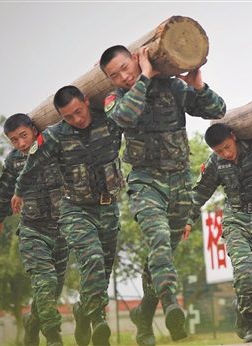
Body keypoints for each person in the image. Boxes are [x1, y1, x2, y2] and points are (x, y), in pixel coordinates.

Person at [99, 45, 226, 344]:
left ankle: (143, 315)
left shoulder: (173, 87)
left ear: (135, 58)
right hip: (145, 181)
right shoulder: (114, 99)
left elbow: (217, 110)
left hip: (179, 180)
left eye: (125, 68)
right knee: (157, 239)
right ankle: (171, 302)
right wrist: (142, 76)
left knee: (162, 252)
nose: (123, 77)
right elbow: (125, 119)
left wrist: (199, 86)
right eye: (114, 75)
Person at [11, 86, 125, 346]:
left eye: (79, 111)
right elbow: (32, 164)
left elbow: (134, 112)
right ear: (61, 117)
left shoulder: (110, 119)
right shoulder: (54, 135)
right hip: (76, 209)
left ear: (86, 101)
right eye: (69, 116)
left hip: (108, 207)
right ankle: (98, 320)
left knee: (103, 271)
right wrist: (18, 192)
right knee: (92, 259)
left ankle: (84, 312)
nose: (77, 119)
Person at [182, 123, 252, 343]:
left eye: (226, 147)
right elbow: (200, 193)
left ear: (233, 136)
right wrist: (187, 221)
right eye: (219, 151)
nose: (226, 153)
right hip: (236, 219)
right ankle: (250, 323)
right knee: (244, 272)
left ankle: (241, 305)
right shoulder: (215, 163)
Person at [0, 113, 68, 346]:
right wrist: (0, 217)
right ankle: (54, 336)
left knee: (52, 290)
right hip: (32, 230)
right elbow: (5, 189)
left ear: (35, 130)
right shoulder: (14, 160)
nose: (21, 143)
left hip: (61, 229)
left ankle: (33, 322)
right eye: (14, 140)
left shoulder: (54, 146)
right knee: (44, 282)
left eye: (23, 136)